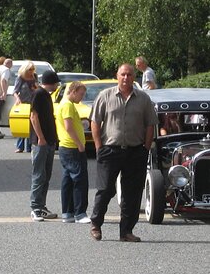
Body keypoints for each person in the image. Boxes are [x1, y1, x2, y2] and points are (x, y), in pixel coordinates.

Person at [89, 63, 158, 242]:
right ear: (117, 76)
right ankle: (96, 224)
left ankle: (126, 231)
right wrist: (98, 146)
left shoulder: (143, 98)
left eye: (129, 75)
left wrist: (146, 147)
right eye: (123, 74)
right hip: (110, 150)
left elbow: (150, 124)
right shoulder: (105, 96)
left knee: (132, 193)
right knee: (105, 190)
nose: (126, 78)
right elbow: (95, 121)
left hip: (136, 151)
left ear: (134, 77)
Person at [56, 81, 91, 224]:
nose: (81, 97)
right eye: (81, 94)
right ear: (74, 91)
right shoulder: (67, 105)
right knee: (80, 179)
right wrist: (79, 144)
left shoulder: (65, 104)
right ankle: (80, 213)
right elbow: (68, 127)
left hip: (66, 147)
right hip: (72, 147)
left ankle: (68, 212)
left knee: (69, 180)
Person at [29, 70, 60, 222]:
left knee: (46, 175)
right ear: (51, 82)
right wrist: (40, 137)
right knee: (39, 175)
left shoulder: (46, 95)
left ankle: (41, 206)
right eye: (56, 82)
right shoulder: (38, 94)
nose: (57, 85)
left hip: (49, 140)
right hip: (40, 141)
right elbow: (33, 116)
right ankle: (35, 208)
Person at [13, 61, 38, 153]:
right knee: (23, 124)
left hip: (33, 102)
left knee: (32, 125)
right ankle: (20, 146)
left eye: (32, 69)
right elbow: (15, 91)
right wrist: (18, 99)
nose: (31, 71)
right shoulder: (20, 78)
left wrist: (36, 86)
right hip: (23, 103)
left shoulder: (34, 76)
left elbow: (37, 88)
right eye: (29, 69)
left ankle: (30, 146)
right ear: (25, 69)